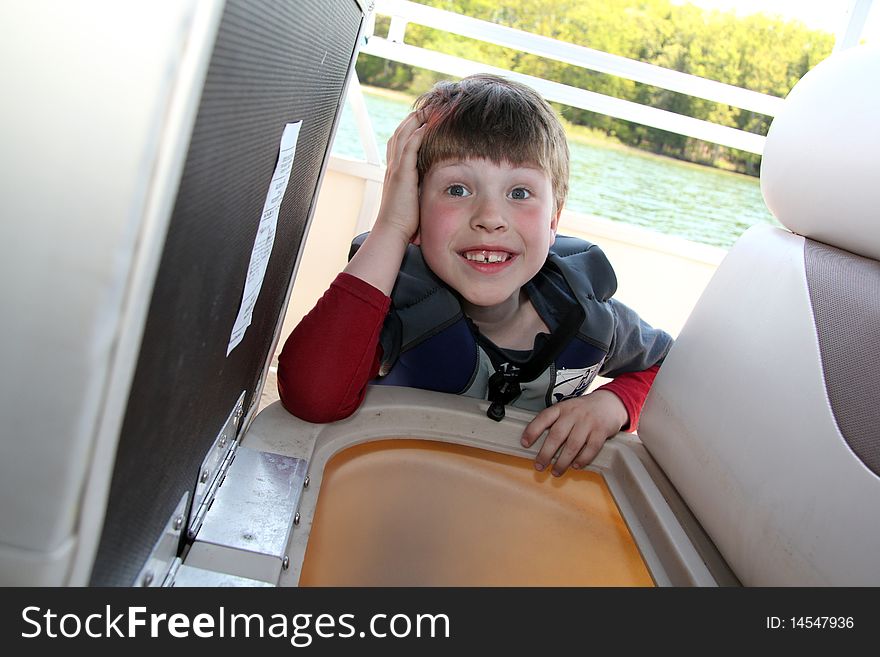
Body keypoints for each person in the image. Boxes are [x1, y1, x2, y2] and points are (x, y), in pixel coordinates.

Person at [278, 74, 672, 476]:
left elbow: (670, 369)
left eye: (519, 193)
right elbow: (313, 397)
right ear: (415, 211)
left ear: (553, 220)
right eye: (457, 190)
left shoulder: (588, 316)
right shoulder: (394, 307)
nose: (489, 218)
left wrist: (614, 404)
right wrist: (392, 227)